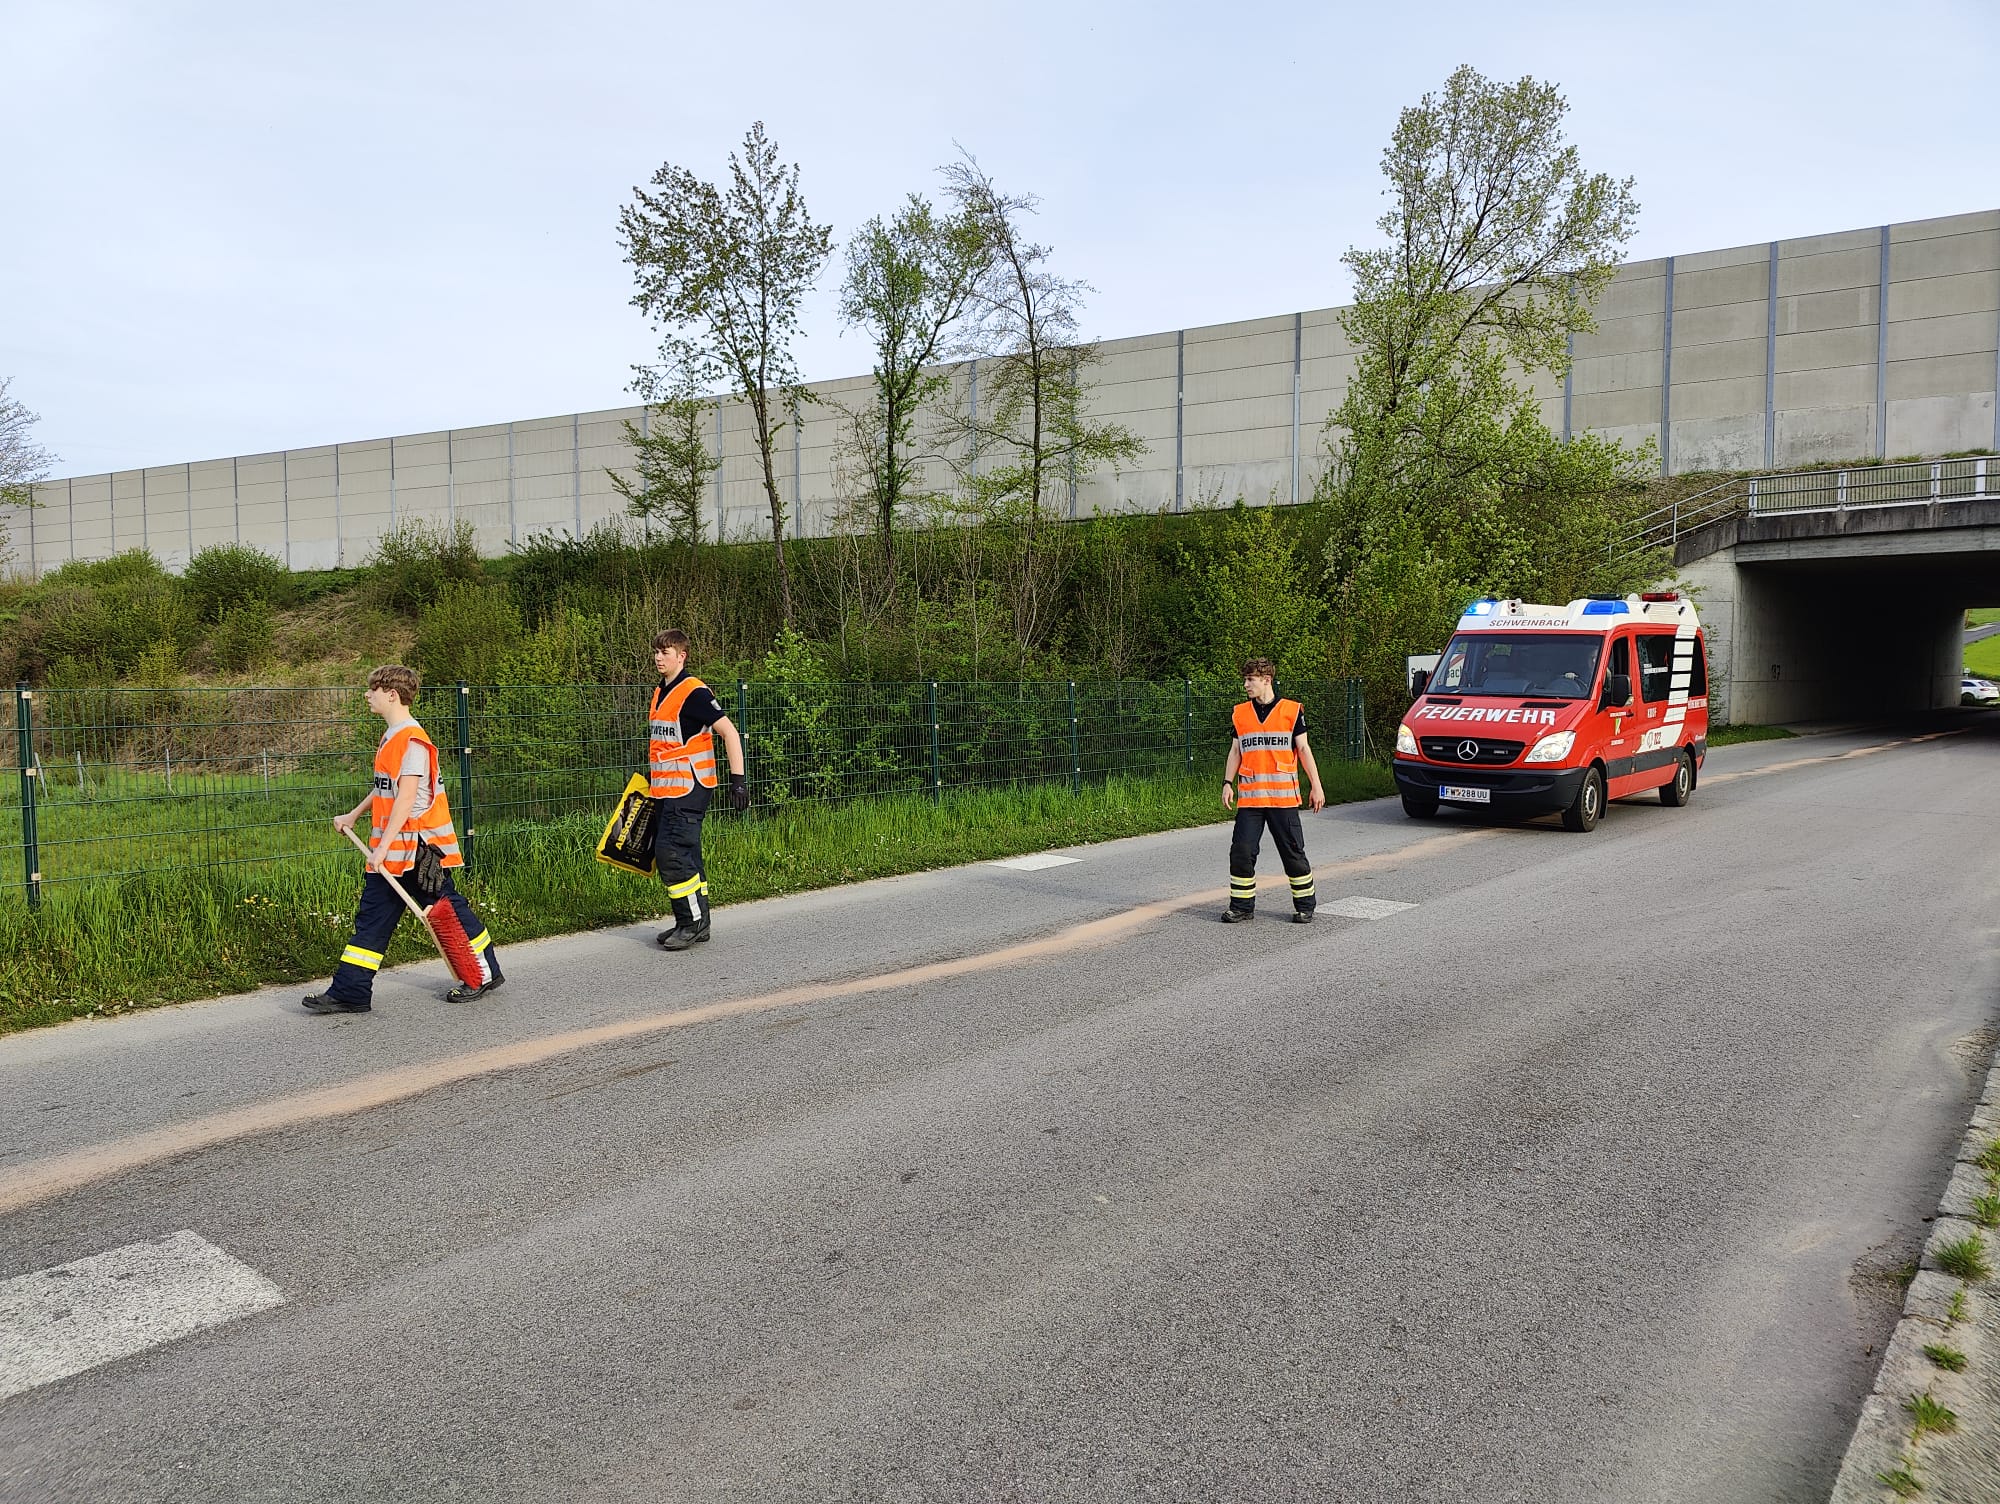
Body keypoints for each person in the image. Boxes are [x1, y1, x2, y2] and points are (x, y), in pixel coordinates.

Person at [303, 665, 502, 1013]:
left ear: (392, 694)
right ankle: (350, 991)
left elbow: (407, 799)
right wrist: (354, 814)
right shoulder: (391, 737)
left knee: (448, 911)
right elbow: (385, 789)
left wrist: (380, 848)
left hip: (418, 851)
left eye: (373, 690)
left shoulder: (412, 741)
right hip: (393, 852)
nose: (367, 695)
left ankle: (483, 973)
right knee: (372, 919)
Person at [646, 629, 748, 951]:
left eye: (666, 652)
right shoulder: (661, 692)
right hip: (666, 790)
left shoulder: (694, 692)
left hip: (689, 788)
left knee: (671, 854)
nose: (659, 658)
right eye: (657, 652)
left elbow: (730, 733)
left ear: (682, 656)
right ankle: (695, 923)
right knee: (686, 854)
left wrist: (739, 781)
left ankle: (691, 924)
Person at [1220, 657, 1325, 924]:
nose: (1246, 685)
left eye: (1250, 680)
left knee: (1292, 852)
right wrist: (1227, 783)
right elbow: (1235, 751)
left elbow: (1303, 749)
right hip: (1251, 800)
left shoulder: (1291, 711)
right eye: (1245, 679)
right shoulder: (1241, 713)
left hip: (1283, 799)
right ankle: (1242, 907)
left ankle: (1305, 906)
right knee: (1241, 851)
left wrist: (1316, 785)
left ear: (1266, 680)